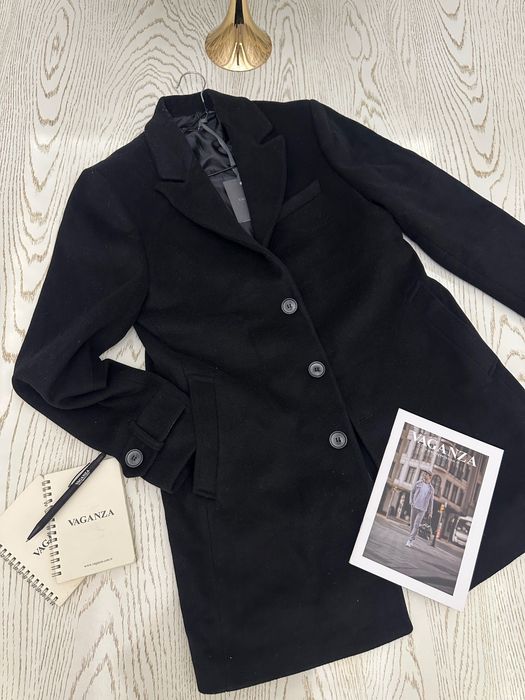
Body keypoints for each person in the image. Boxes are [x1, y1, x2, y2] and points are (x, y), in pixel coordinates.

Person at [405, 470, 435, 547]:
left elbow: (431, 501)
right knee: (412, 524)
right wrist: (411, 501)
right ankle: (412, 538)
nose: (424, 475)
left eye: (426, 474)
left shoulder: (431, 489)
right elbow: (412, 492)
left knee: (416, 524)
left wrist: (430, 512)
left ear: (430, 477)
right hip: (414, 506)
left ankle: (410, 540)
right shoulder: (418, 483)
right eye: (424, 473)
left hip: (422, 509)